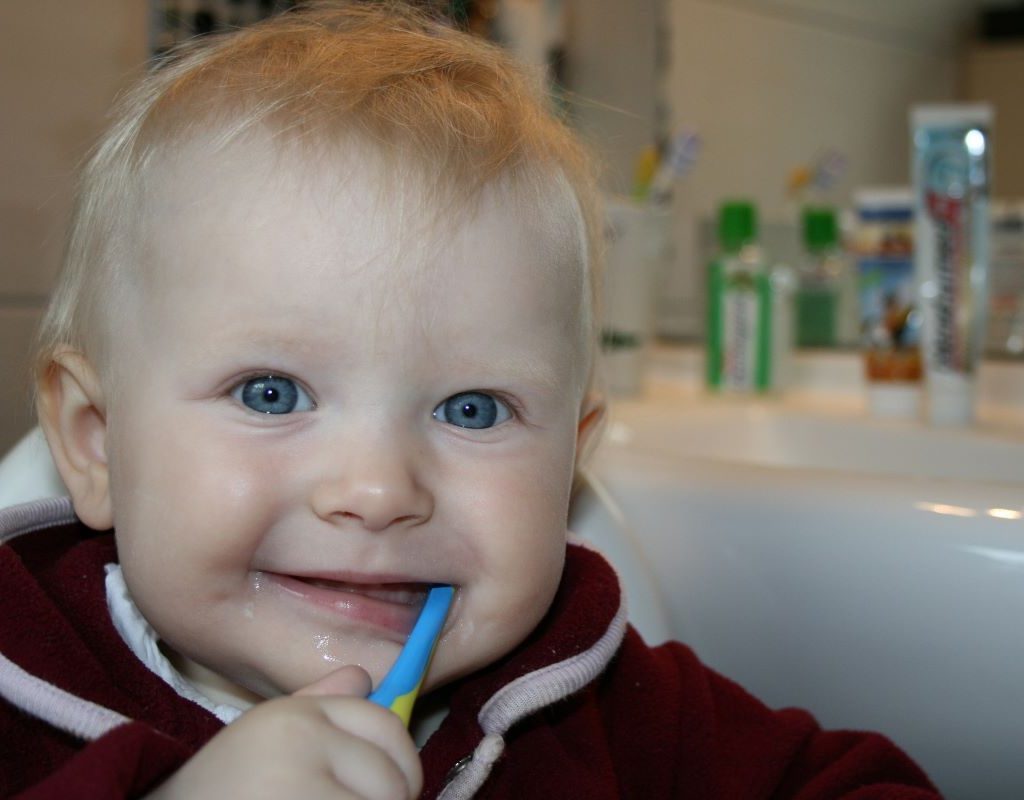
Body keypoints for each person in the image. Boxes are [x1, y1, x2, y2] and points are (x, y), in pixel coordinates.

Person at [0, 3, 941, 798]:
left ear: (570, 455)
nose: (376, 491)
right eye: (272, 392)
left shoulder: (600, 698)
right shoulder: (21, 680)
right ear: (94, 440)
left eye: (472, 411)